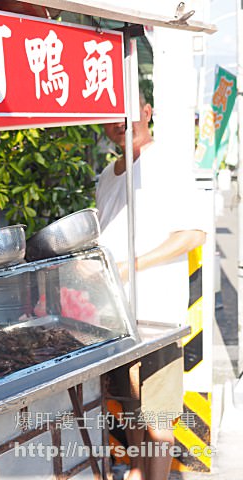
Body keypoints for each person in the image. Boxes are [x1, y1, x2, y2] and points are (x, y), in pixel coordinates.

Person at [96, 96, 206, 480]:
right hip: (115, 316)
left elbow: (192, 234)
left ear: (146, 111)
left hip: (158, 315)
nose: (118, 121)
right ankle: (141, 472)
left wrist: (131, 266)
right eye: (108, 115)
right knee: (129, 408)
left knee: (159, 415)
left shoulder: (168, 161)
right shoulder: (108, 175)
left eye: (126, 111)